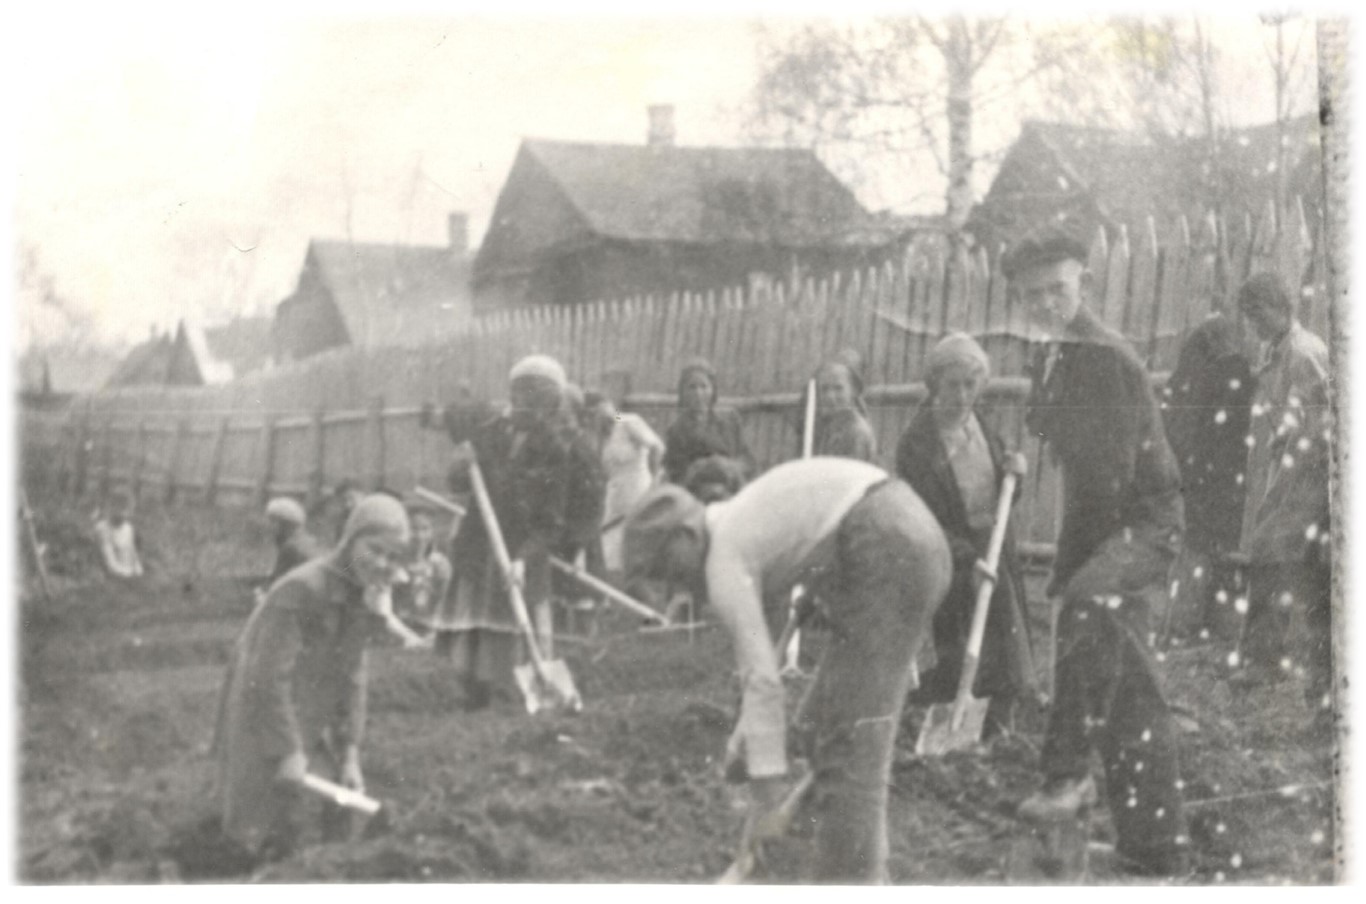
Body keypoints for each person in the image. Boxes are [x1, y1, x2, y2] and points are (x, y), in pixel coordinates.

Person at [622, 458, 951, 883]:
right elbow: (766, 646)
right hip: (904, 530)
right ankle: (859, 864)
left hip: (886, 543)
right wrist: (751, 736)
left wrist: (763, 805)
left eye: (667, 570)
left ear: (686, 535)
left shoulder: (723, 557)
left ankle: (851, 880)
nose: (674, 587)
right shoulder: (739, 522)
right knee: (818, 726)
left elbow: (763, 683)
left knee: (852, 746)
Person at [1007, 234, 1189, 876]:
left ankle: (1065, 777)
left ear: (1082, 281)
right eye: (1033, 295)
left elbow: (1111, 483)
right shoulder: (1052, 357)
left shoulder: (1104, 358)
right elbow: (1073, 472)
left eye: (1058, 288)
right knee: (1127, 677)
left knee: (1087, 611)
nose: (1047, 303)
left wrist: (1073, 574)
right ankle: (1154, 846)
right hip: (1108, 523)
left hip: (1144, 521)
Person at [215, 494, 411, 860]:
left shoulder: (361, 596)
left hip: (307, 711)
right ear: (351, 539)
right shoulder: (303, 588)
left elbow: (353, 676)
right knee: (255, 823)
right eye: (375, 549)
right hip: (259, 713)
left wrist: (351, 751)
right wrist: (287, 749)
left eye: (394, 557)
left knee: (322, 815)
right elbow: (266, 677)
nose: (383, 563)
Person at [434, 354, 602, 710]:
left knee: (516, 625)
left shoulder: (557, 451)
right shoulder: (492, 432)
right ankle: (472, 692)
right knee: (474, 622)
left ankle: (513, 692)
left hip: (524, 549)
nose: (526, 402)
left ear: (553, 401)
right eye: (520, 392)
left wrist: (524, 560)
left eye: (538, 395)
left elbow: (551, 522)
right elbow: (458, 481)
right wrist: (461, 466)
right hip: (480, 543)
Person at [895, 332, 1035, 736]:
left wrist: (1015, 473)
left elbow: (1002, 489)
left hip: (993, 546)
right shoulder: (917, 444)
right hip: (950, 553)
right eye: (952, 384)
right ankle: (950, 712)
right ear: (934, 384)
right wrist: (965, 560)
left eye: (970, 384)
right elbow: (923, 519)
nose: (961, 394)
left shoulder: (981, 424)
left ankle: (1003, 719)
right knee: (962, 644)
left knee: (1007, 636)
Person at [1233, 273, 1333, 716]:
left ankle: (1272, 661)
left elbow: (1310, 404)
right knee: (1272, 552)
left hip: (1314, 469)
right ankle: (1267, 657)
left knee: (1284, 555)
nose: (1253, 323)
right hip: (1290, 464)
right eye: (1249, 317)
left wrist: (1291, 433)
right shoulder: (1273, 350)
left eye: (1259, 314)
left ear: (1282, 308)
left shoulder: (1305, 351)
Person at [1159, 310, 1255, 643]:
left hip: (1200, 473)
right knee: (1217, 549)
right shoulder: (1235, 375)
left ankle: (1186, 626)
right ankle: (1217, 627)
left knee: (1197, 547)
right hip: (1223, 476)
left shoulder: (1190, 378)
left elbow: (1175, 427)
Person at [584, 390, 665, 576]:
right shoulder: (598, 436)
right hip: (615, 497)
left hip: (639, 488)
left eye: (603, 409)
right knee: (610, 549)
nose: (601, 415)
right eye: (593, 413)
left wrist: (654, 482)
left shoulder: (626, 421)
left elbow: (656, 448)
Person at [662, 358, 754, 488]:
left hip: (732, 486)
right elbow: (676, 475)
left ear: (713, 390)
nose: (698, 393)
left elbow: (748, 461)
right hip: (698, 493)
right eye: (692, 387)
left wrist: (731, 467)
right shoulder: (677, 430)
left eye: (704, 386)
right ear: (682, 393)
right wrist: (708, 468)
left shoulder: (730, 420)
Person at [797, 352, 878, 462]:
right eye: (824, 389)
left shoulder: (855, 432)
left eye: (838, 388)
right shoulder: (828, 426)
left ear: (853, 391)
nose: (830, 396)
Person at [393, 503, 452, 631]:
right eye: (413, 529)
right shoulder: (394, 562)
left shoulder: (439, 565)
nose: (420, 536)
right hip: (395, 632)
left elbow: (441, 606)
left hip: (426, 632)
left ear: (432, 532)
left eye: (425, 529)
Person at [264, 497, 325, 587]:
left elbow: (275, 586)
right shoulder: (311, 541)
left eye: (273, 521)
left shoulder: (290, 549)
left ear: (285, 524)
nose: (269, 526)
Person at [93, 489, 144, 579]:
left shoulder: (128, 528)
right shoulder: (103, 528)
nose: (122, 512)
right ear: (110, 508)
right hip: (111, 577)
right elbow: (109, 562)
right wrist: (128, 574)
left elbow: (132, 553)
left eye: (125, 509)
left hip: (128, 575)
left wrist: (138, 570)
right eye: (117, 507)